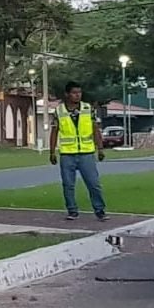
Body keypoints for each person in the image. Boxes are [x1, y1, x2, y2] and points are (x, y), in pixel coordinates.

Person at [49, 81, 108, 221]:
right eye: (74, 93)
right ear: (67, 94)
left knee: (93, 183)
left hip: (86, 153)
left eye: (79, 93)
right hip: (67, 154)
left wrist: (100, 148)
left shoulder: (88, 108)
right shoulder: (59, 111)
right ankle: (72, 210)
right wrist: (52, 152)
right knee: (68, 185)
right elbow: (54, 131)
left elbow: (95, 129)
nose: (77, 95)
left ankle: (100, 210)